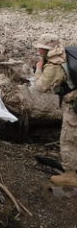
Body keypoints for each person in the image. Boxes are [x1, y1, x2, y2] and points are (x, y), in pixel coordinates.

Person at [33, 33, 77, 186]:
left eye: (40, 48)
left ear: (46, 49)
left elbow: (40, 87)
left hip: (73, 105)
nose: (38, 51)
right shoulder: (67, 52)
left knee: (68, 139)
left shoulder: (53, 65)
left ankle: (71, 175)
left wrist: (39, 69)